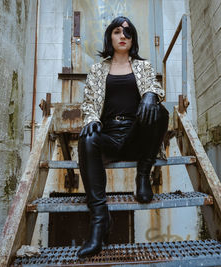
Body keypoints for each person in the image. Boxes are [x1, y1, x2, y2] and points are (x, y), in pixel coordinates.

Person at [77, 16, 169, 258]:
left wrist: (150, 94)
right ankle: (99, 220)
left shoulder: (143, 66)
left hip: (135, 136)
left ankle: (142, 176)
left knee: (159, 111)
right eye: (117, 31)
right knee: (86, 138)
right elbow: (88, 104)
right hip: (108, 135)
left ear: (133, 40)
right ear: (110, 36)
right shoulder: (98, 69)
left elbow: (155, 87)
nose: (122, 37)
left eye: (128, 33)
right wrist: (92, 120)